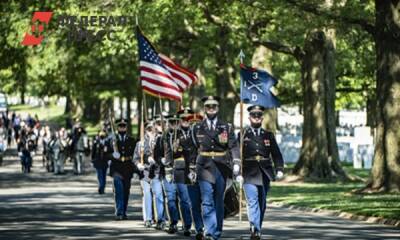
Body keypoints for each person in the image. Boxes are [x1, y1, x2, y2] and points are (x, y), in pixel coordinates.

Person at [191, 96, 239, 240]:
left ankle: (217, 231)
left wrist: (236, 162)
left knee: (218, 199)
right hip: (204, 167)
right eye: (208, 107)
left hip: (221, 167)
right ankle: (210, 232)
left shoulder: (226, 127)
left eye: (214, 106)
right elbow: (193, 149)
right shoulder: (197, 127)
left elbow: (233, 146)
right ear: (204, 109)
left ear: (218, 108)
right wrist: (191, 168)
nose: (211, 109)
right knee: (207, 200)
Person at [236, 105, 284, 240]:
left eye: (258, 116)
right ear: (249, 117)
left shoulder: (268, 135)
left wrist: (279, 169)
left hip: (264, 171)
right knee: (252, 201)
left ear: (262, 118)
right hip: (248, 171)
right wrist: (237, 172)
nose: (256, 118)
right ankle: (255, 229)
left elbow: (276, 154)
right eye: (253, 116)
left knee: (262, 203)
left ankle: (257, 227)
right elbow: (237, 154)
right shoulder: (243, 134)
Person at [162, 112, 193, 236]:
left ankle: (187, 225)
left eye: (187, 118)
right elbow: (168, 152)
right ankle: (173, 222)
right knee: (171, 199)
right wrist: (168, 169)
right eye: (183, 119)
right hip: (172, 168)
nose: (185, 121)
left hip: (183, 170)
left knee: (185, 200)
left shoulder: (190, 134)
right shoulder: (170, 135)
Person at [134, 121, 164, 228]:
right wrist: (138, 165)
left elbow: (164, 154)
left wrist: (157, 160)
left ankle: (160, 219)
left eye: (153, 129)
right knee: (147, 195)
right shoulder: (140, 144)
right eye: (149, 129)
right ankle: (148, 218)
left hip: (156, 171)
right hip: (145, 172)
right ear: (146, 131)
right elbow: (136, 158)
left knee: (159, 195)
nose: (151, 131)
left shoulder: (160, 141)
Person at [109, 118, 136, 220]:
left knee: (126, 191)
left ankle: (124, 211)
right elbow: (105, 154)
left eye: (124, 126)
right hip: (116, 169)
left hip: (127, 169)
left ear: (126, 127)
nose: (122, 127)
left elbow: (135, 154)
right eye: (120, 126)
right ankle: (119, 211)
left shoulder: (131, 140)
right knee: (118, 190)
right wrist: (113, 154)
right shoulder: (112, 140)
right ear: (117, 127)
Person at [91, 129, 112, 194]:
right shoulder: (96, 142)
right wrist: (92, 160)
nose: (102, 134)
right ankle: (101, 187)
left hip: (105, 162)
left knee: (104, 176)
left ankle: (102, 187)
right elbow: (93, 152)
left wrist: (110, 160)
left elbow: (110, 151)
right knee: (99, 175)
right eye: (101, 133)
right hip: (98, 162)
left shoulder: (108, 143)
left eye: (103, 133)